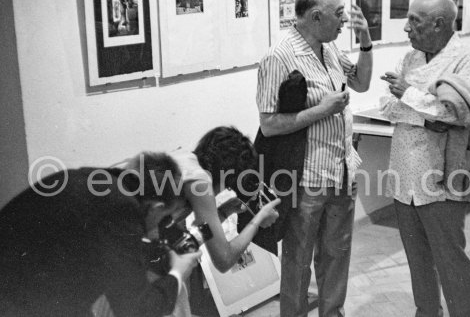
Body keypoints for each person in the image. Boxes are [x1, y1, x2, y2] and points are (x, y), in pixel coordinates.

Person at [256, 0, 373, 317]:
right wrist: (323, 109)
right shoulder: (279, 57)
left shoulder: (330, 47)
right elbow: (269, 124)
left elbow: (362, 83)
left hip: (342, 168)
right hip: (307, 176)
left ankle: (332, 312)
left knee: (337, 253)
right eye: (339, 14)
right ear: (316, 16)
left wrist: (365, 43)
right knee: (299, 258)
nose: (344, 21)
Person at [380, 0, 470, 317]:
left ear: (438, 24)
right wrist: (428, 116)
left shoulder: (466, 60)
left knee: (451, 260)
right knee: (417, 259)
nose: (405, 29)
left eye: (414, 21)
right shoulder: (410, 58)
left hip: (441, 178)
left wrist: (410, 95)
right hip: (403, 174)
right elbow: (386, 107)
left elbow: (457, 114)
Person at [0, 152, 202, 317]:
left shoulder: (92, 179)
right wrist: (178, 272)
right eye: (164, 217)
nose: (162, 225)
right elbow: (139, 310)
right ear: (156, 208)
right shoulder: (121, 211)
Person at [170, 126, 280, 273]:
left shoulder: (183, 158)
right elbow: (224, 261)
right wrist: (258, 221)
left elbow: (182, 243)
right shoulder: (201, 183)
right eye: (228, 186)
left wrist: (223, 212)